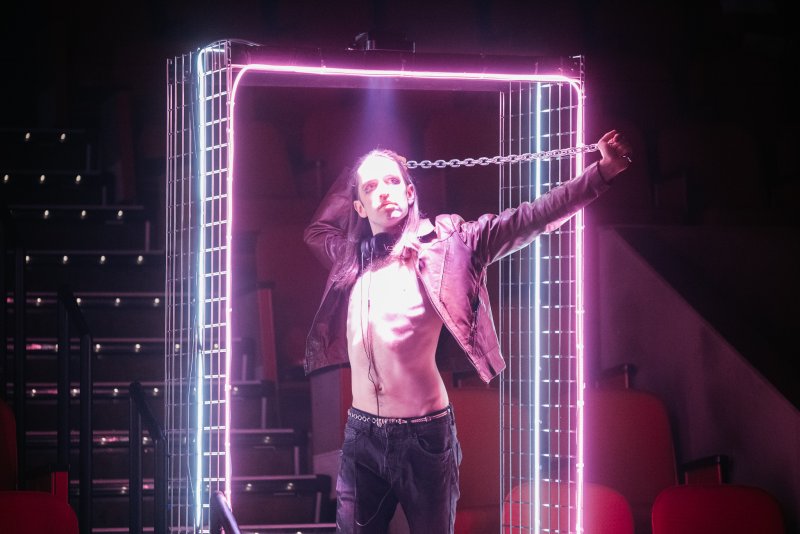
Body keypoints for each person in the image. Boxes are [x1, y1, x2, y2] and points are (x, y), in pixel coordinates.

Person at [304, 130, 632, 533]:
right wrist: (359, 167)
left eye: (392, 180)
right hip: (362, 434)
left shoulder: (450, 243)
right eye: (370, 187)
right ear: (358, 205)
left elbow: (529, 218)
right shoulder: (348, 258)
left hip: (423, 436)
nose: (383, 191)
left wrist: (601, 173)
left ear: (410, 192)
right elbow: (317, 230)